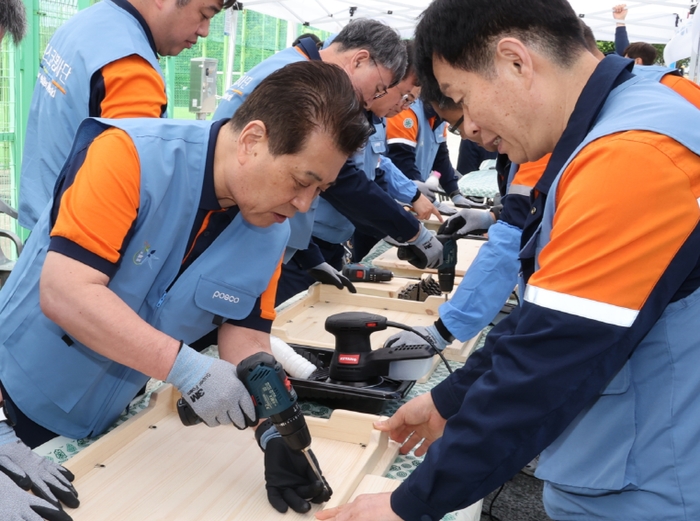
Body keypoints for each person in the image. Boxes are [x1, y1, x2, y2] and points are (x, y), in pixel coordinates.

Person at [317, 0, 700, 520]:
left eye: (461, 99)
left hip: (654, 484)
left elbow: (548, 359)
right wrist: (449, 399)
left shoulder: (630, 155)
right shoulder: (643, 112)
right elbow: (548, 310)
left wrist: (409, 504)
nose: (468, 128)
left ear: (515, 60)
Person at [0, 61, 370, 521]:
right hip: (12, 403)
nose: (304, 205)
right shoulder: (128, 155)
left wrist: (275, 429)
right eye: (301, 181)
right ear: (253, 141)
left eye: (322, 190)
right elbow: (65, 292)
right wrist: (188, 368)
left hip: (103, 422)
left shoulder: (272, 229)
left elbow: (247, 338)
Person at [213, 19, 444, 304]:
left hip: (270, 237)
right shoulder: (299, 80)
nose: (373, 101)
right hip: (236, 241)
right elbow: (338, 180)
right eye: (379, 88)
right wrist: (409, 230)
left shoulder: (301, 72)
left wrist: (307, 254)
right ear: (360, 60)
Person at [18, 0, 236, 231]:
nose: (205, 31)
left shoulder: (82, 25)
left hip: (44, 218)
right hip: (76, 239)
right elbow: (137, 194)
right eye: (204, 14)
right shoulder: (130, 70)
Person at [386, 88, 471, 208]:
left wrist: (455, 193)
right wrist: (425, 198)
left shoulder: (439, 118)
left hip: (416, 194)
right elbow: (402, 161)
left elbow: (441, 158)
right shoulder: (407, 112)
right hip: (396, 196)